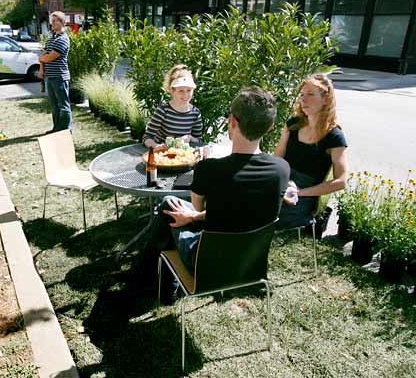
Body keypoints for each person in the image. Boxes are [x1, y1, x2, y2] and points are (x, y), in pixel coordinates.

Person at [149, 87, 291, 304]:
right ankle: (157, 282)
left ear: (232, 122)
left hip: (206, 266)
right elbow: (232, 212)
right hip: (249, 266)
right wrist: (195, 217)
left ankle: (153, 281)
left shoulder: (209, 169)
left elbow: (197, 208)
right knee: (177, 211)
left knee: (168, 205)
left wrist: (194, 216)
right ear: (271, 127)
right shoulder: (282, 170)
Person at [274, 74, 348, 230]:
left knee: (254, 206)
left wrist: (299, 192)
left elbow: (341, 181)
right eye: (302, 95)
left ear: (326, 99)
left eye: (310, 94)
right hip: (282, 181)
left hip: (302, 197)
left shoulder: (334, 136)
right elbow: (278, 158)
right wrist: (286, 181)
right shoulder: (293, 124)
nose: (303, 99)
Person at [143, 65, 203, 148]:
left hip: (184, 157)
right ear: (172, 90)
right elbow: (147, 138)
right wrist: (156, 146)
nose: (186, 95)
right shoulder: (163, 110)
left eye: (189, 90)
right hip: (162, 156)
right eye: (181, 91)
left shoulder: (195, 113)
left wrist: (190, 138)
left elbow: (199, 140)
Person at [39, 11, 72, 134]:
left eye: (54, 21)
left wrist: (42, 58)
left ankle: (66, 130)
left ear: (62, 22)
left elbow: (49, 57)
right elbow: (43, 55)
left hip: (60, 77)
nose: (51, 23)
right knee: (54, 105)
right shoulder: (51, 38)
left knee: (63, 105)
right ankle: (57, 129)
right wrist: (41, 69)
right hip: (50, 77)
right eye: (51, 21)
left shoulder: (63, 39)